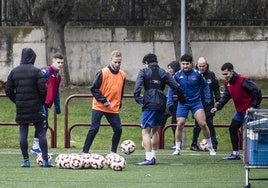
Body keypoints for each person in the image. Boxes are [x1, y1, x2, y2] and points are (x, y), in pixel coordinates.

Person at [134, 53, 186, 165]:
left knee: (146, 130)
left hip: (149, 102)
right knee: (156, 130)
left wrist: (139, 99)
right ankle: (153, 157)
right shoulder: (164, 72)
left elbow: (137, 87)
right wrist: (183, 100)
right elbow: (176, 86)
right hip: (162, 102)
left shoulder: (144, 71)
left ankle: (148, 158)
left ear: (146, 62)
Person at [5, 48, 54, 167]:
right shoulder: (37, 71)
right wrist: (40, 102)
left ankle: (26, 160)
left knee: (23, 133)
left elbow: (8, 90)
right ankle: (45, 161)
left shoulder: (14, 72)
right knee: (41, 133)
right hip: (36, 107)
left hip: (21, 107)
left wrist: (16, 100)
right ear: (33, 58)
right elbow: (43, 89)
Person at [211, 62, 262, 160]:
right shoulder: (228, 84)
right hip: (240, 112)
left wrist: (253, 106)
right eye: (223, 75)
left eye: (226, 74)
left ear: (232, 71)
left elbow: (257, 91)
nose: (225, 77)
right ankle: (235, 154)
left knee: (252, 132)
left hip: (251, 111)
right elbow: (226, 96)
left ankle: (256, 154)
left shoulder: (243, 80)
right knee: (232, 129)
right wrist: (217, 107)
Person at [168, 54, 216, 156]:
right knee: (180, 124)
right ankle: (177, 148)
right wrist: (170, 102)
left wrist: (208, 98)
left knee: (203, 124)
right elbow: (171, 88)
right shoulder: (177, 75)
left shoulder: (197, 74)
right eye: (183, 64)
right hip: (183, 103)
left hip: (196, 103)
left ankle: (210, 147)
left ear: (191, 64)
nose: (185, 66)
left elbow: (205, 85)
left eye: (187, 64)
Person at [82, 50, 126, 154]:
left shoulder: (122, 74)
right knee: (94, 128)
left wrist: (119, 103)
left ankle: (113, 152)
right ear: (111, 60)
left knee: (118, 129)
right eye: (115, 62)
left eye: (119, 62)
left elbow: (121, 91)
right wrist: (103, 100)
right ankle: (85, 152)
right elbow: (93, 89)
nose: (117, 64)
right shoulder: (103, 72)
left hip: (112, 107)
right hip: (99, 106)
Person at [31, 53, 63, 154]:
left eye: (62, 63)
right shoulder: (46, 71)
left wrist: (57, 106)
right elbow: (36, 84)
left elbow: (56, 91)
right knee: (43, 124)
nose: (60, 64)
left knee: (44, 124)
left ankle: (36, 147)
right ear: (53, 61)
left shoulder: (58, 76)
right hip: (40, 102)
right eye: (58, 62)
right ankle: (37, 147)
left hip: (46, 103)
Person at [190, 57, 221, 151]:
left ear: (206, 65)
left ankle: (213, 144)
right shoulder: (193, 74)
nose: (201, 68)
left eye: (203, 66)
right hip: (196, 102)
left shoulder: (211, 75)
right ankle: (193, 144)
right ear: (197, 65)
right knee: (197, 124)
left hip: (208, 103)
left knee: (209, 123)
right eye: (200, 66)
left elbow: (216, 89)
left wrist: (218, 100)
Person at [162, 61, 186, 149]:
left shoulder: (178, 77)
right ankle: (159, 142)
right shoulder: (170, 77)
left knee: (175, 123)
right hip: (170, 102)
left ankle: (177, 144)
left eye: (170, 68)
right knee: (161, 119)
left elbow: (176, 89)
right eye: (168, 68)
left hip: (176, 102)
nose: (169, 70)